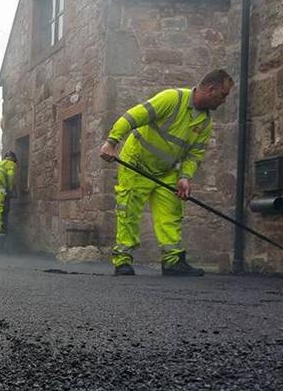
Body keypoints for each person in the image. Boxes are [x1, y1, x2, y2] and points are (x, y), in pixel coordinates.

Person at [100, 69, 234, 277]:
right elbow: (134, 116)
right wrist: (111, 142)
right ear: (211, 89)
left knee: (171, 213)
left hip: (166, 171)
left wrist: (185, 177)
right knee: (129, 212)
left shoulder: (205, 122)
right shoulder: (172, 99)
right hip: (137, 163)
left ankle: (172, 262)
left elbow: (194, 154)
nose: (224, 100)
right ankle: (123, 261)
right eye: (224, 94)